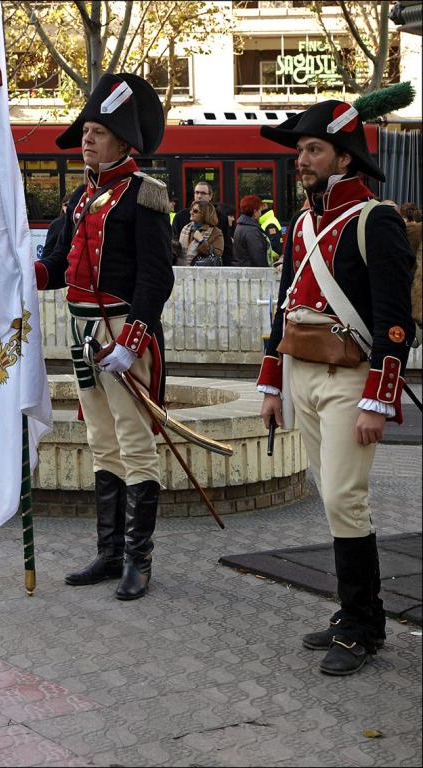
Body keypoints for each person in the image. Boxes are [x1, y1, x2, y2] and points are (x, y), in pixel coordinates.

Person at [257, 86, 416, 676]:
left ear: (345, 157)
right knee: (331, 500)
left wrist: (380, 399)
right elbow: (284, 306)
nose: (301, 160)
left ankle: (363, 626)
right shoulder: (303, 222)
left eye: (315, 150)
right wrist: (272, 383)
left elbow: (395, 323)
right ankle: (352, 610)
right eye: (300, 150)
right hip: (301, 370)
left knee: (346, 499)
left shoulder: (376, 219)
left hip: (350, 380)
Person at [35, 72, 173, 601]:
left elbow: (157, 277)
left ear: (122, 139)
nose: (87, 139)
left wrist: (131, 342)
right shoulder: (77, 197)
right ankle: (108, 552)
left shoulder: (144, 195)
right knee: (101, 443)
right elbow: (55, 263)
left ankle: (139, 560)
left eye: (97, 130)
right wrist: (25, 274)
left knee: (136, 445)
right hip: (82, 332)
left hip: (122, 333)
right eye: (86, 130)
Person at [171, 180, 233, 265]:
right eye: (197, 193)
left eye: (203, 193)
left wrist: (201, 241)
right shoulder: (181, 217)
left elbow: (225, 250)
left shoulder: (221, 218)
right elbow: (173, 241)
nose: (199, 196)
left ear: (210, 196)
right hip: (183, 269)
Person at [179, 200, 224, 267]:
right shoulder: (186, 229)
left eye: (195, 211)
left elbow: (217, 255)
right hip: (183, 271)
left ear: (205, 214)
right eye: (191, 210)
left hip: (203, 274)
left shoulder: (216, 232)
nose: (191, 212)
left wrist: (202, 241)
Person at [232, 195, 271, 268]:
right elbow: (258, 256)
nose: (260, 213)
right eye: (259, 210)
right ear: (255, 212)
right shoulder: (251, 230)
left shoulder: (241, 225)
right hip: (252, 274)